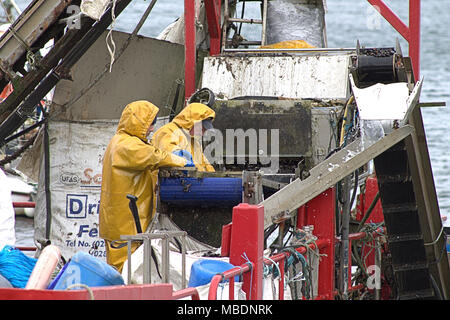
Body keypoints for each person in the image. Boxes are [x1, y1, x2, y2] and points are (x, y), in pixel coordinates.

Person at [99, 100, 191, 272]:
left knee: (124, 272)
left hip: (120, 224)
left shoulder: (120, 141)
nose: (152, 129)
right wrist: (182, 161)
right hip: (126, 225)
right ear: (137, 123)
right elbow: (153, 156)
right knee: (125, 274)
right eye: (149, 124)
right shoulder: (127, 145)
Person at [152, 102, 216, 172]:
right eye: (202, 129)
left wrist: (213, 176)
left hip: (188, 181)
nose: (203, 133)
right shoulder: (168, 131)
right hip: (168, 181)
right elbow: (170, 156)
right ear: (192, 122)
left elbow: (204, 163)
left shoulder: (194, 140)